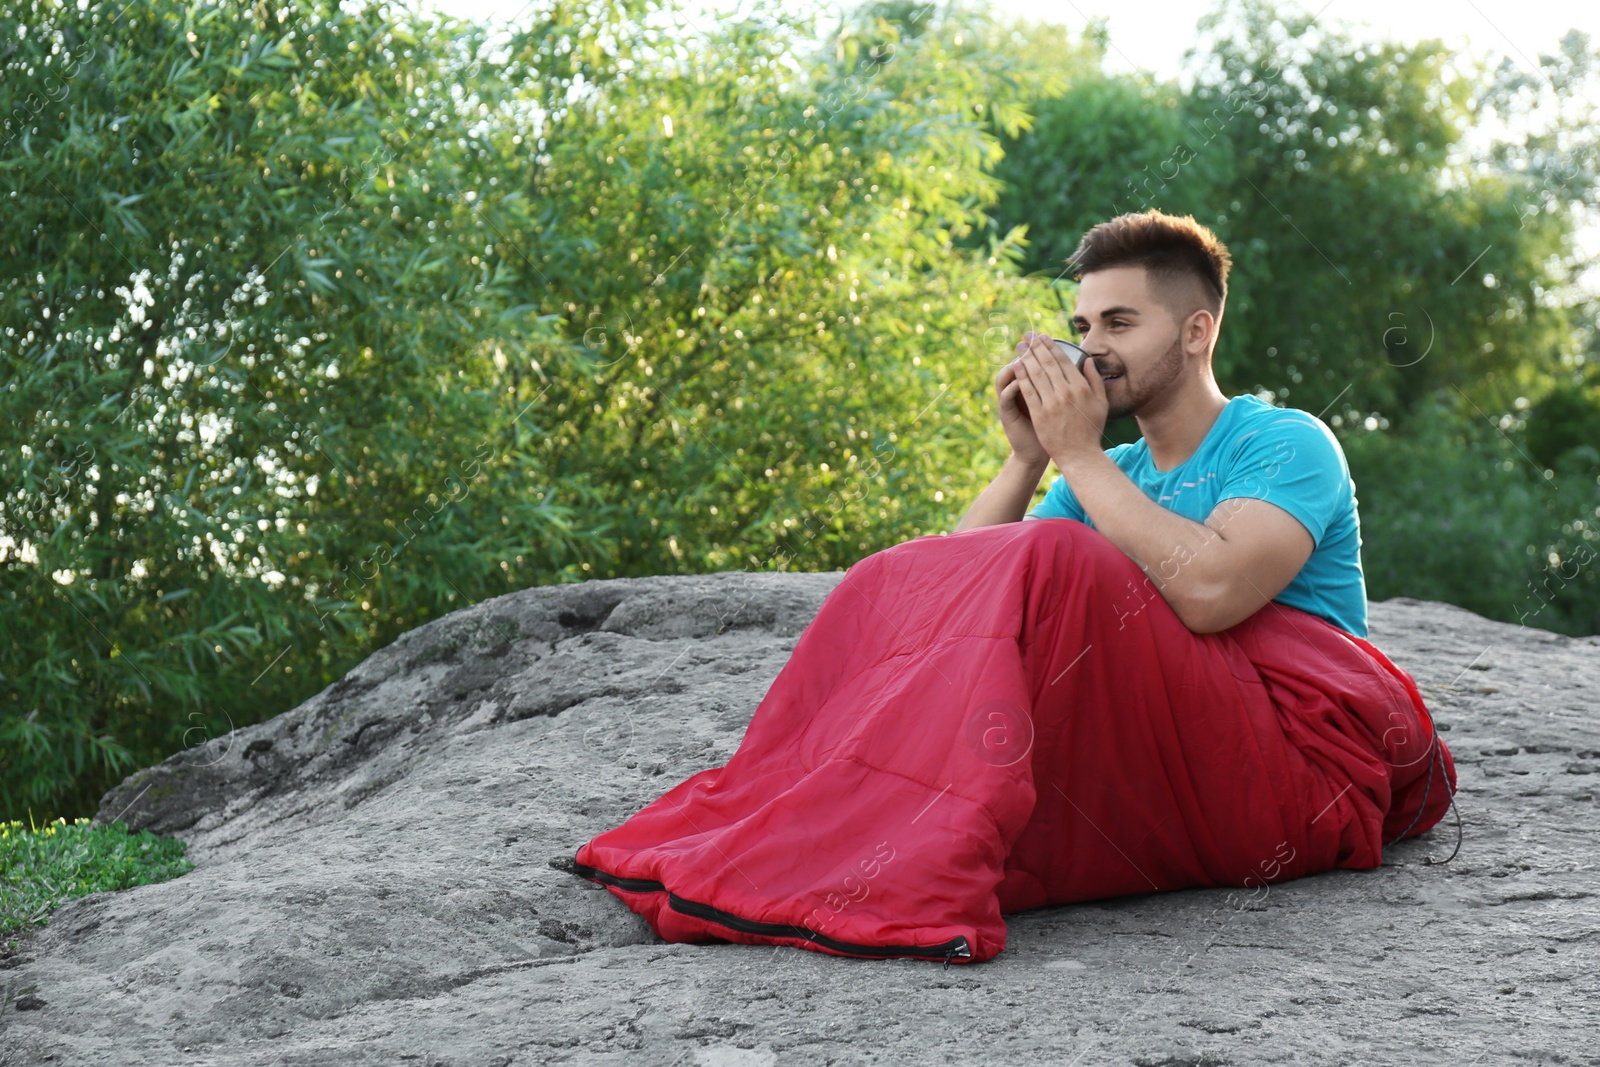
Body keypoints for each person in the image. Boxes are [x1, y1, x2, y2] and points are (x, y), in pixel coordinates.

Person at [952, 208, 1368, 639]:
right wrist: (1028, 458)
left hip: (1293, 701)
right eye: (1082, 327)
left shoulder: (1289, 443)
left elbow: (1211, 594)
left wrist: (1076, 454)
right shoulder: (1097, 477)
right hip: (1156, 700)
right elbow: (960, 593)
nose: (1091, 347)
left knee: (1056, 553)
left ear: (1195, 333)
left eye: (1118, 324)